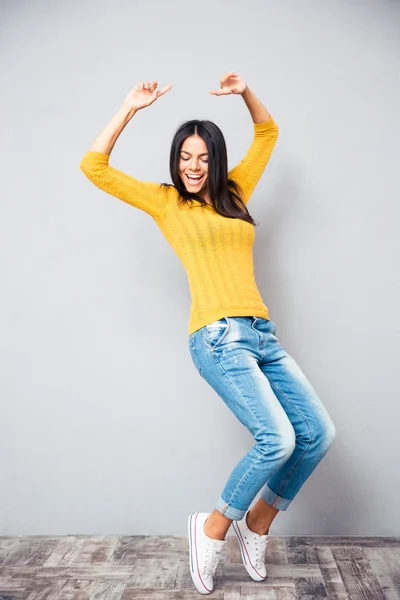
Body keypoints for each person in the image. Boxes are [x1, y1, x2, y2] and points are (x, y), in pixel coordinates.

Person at [79, 72, 337, 596]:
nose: (192, 167)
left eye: (201, 158)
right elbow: (94, 167)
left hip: (262, 333)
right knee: (278, 439)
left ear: (214, 160)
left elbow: (267, 133)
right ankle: (214, 526)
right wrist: (129, 108)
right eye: (183, 157)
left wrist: (244, 93)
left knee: (318, 435)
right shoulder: (166, 202)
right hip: (217, 337)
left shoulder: (236, 190)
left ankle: (257, 523)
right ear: (175, 162)